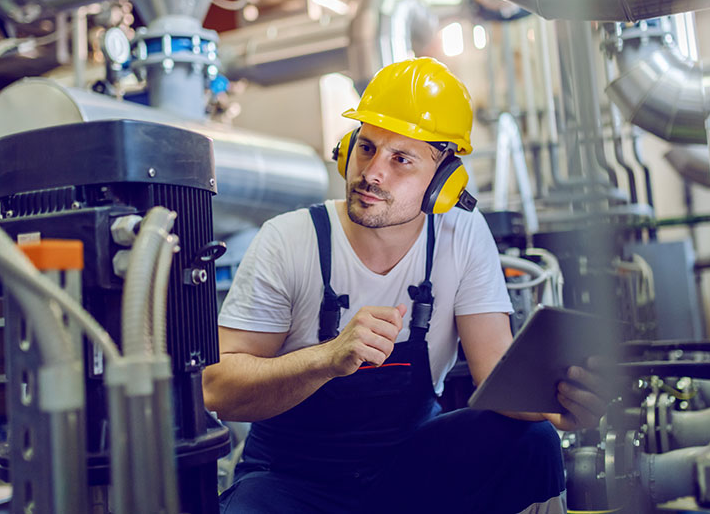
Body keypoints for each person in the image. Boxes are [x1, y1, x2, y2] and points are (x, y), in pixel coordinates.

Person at [205, 57, 606, 514]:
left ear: (444, 182)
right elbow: (218, 388)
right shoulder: (289, 239)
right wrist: (326, 358)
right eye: (367, 147)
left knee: (533, 442)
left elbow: (495, 373)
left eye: (401, 159)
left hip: (408, 467)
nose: (373, 173)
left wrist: (557, 408)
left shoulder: (461, 235)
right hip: (290, 478)